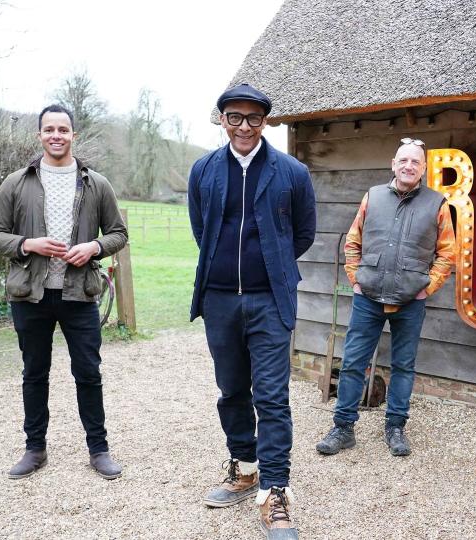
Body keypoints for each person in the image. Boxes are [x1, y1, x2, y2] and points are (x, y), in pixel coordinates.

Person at [188, 83, 316, 539]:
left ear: (266, 122)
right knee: (231, 390)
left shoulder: (292, 172)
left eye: (253, 118)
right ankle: (244, 469)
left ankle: (276, 491)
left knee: (272, 396)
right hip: (220, 299)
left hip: (269, 300)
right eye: (234, 117)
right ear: (221, 119)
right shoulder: (203, 170)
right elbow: (202, 231)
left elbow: (303, 234)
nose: (244, 126)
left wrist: (268, 268)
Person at [0, 104, 128, 480]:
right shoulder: (16, 182)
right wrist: (28, 244)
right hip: (30, 296)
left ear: (73, 135)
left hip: (79, 294)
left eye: (63, 129)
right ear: (39, 135)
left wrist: (94, 247)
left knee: (89, 374)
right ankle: (35, 449)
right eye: (49, 129)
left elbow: (119, 233)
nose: (56, 136)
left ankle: (99, 450)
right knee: (34, 374)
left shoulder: (97, 184)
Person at [315, 138, 455, 457]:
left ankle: (395, 428)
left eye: (415, 162)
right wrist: (356, 279)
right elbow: (353, 242)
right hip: (369, 297)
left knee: (403, 366)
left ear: (423, 169)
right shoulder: (373, 197)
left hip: (410, 301)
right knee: (353, 363)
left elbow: (448, 253)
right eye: (403, 160)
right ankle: (343, 428)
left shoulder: (437, 204)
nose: (408, 166)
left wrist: (427, 287)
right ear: (393, 164)